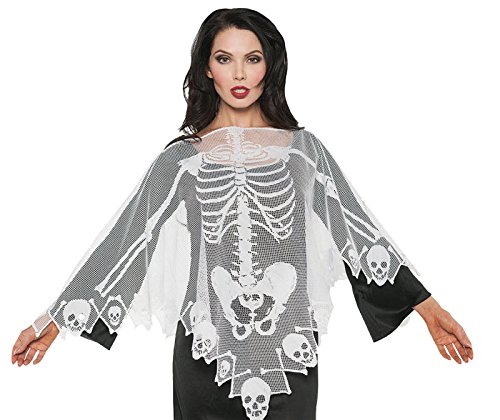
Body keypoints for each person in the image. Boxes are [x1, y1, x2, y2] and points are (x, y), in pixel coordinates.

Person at [11, 8, 473, 420]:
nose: (238, 73)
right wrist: (56, 319)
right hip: (205, 352)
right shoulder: (183, 159)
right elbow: (130, 240)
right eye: (224, 58)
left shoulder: (302, 152)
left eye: (252, 58)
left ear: (270, 66)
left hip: (289, 351)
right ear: (206, 68)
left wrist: (427, 308)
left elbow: (357, 233)